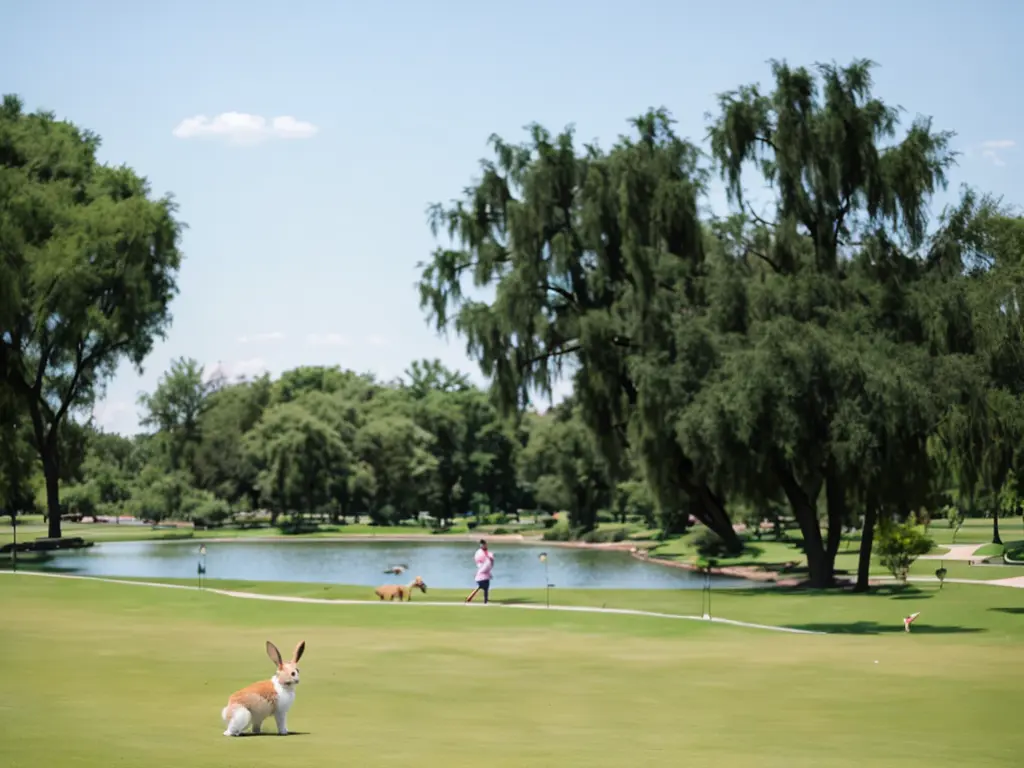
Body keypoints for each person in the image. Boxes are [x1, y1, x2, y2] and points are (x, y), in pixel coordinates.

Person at [465, 539, 494, 604]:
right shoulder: (480, 553)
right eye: (484, 544)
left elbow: (490, 562)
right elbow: (481, 563)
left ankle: (485, 600)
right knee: (481, 586)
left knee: (486, 588)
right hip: (482, 573)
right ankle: (470, 598)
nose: (486, 546)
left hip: (486, 574)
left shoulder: (487, 552)